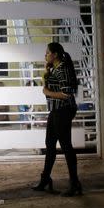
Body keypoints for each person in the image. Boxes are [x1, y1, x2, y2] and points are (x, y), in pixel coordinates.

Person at [31, 42, 83, 196]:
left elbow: (67, 93)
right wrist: (47, 72)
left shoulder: (63, 69)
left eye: (47, 53)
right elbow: (52, 86)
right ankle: (45, 179)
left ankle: (75, 184)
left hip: (63, 110)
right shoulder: (55, 68)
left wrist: (47, 92)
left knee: (66, 146)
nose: (45, 55)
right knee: (50, 144)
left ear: (54, 55)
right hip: (56, 111)